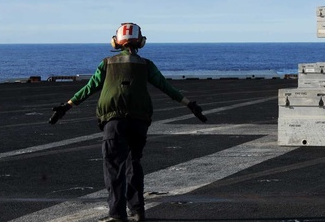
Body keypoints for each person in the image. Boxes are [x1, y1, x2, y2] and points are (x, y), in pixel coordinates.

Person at [49, 23, 207, 222]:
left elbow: (89, 88)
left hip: (113, 121)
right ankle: (138, 211)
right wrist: (189, 104)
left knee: (114, 167)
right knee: (134, 163)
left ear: (116, 42)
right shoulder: (146, 65)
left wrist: (66, 106)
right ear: (140, 42)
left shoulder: (107, 63)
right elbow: (166, 87)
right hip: (139, 121)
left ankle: (117, 215)